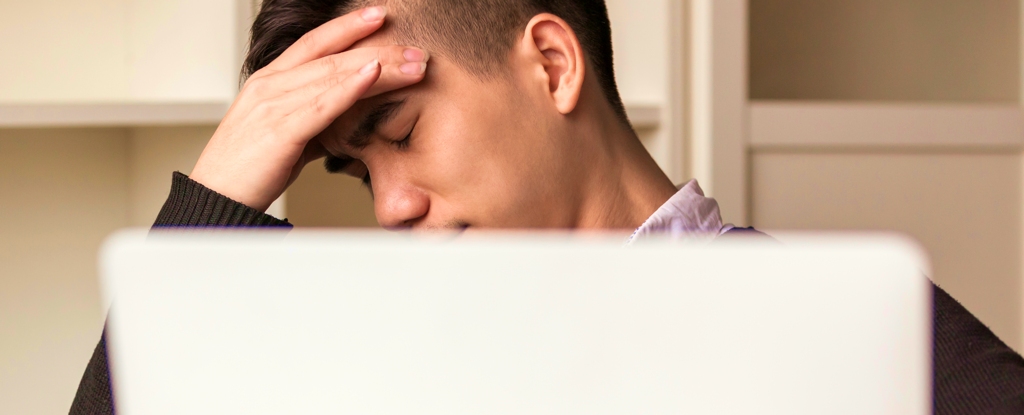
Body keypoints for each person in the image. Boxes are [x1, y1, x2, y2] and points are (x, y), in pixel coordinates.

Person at [71, 1, 1024, 414]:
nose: (391, 209)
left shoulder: (844, 331)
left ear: (553, 64)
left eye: (400, 131)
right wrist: (213, 205)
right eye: (358, 175)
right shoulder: (364, 363)